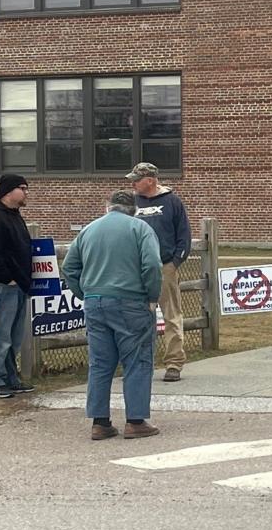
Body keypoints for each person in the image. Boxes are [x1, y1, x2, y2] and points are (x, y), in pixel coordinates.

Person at [63, 189, 163, 440]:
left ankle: (100, 422)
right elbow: (152, 264)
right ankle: (136, 420)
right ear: (134, 209)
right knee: (138, 360)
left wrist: (84, 293)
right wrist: (152, 297)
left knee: (100, 363)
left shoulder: (88, 230)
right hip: (131, 302)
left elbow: (69, 267)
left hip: (95, 302)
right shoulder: (140, 229)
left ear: (107, 206)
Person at [126, 162, 191, 383]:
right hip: (135, 268)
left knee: (171, 316)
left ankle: (173, 363)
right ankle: (140, 362)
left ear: (150, 180)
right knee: (137, 315)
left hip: (164, 267)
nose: (132, 183)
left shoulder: (172, 202)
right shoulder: (131, 203)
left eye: (137, 179)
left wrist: (174, 263)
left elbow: (184, 235)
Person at [0, 174, 34, 399]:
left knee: (14, 336)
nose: (26, 192)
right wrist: (7, 279)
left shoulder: (14, 216)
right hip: (4, 286)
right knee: (1, 337)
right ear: (9, 191)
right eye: (22, 188)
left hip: (19, 285)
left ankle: (11, 379)